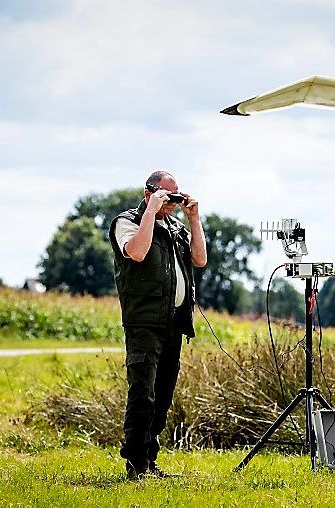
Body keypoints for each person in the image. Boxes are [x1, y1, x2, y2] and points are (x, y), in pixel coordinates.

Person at [109, 170, 207, 480]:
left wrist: (193, 219)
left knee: (163, 394)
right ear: (148, 192)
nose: (171, 204)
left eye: (175, 198)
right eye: (166, 197)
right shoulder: (127, 222)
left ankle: (150, 461)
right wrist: (151, 211)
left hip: (173, 322)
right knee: (143, 393)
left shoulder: (176, 227)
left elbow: (200, 259)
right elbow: (136, 252)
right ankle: (136, 464)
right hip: (144, 322)